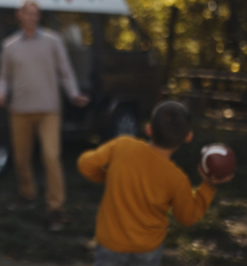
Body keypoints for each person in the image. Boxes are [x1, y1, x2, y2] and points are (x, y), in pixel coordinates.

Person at [77, 101, 233, 266]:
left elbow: (85, 164)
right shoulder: (177, 179)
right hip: (147, 250)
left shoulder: (123, 145)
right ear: (188, 137)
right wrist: (208, 186)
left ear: (149, 129)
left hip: (111, 245)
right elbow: (188, 217)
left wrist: (108, 177)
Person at [0, 0, 89, 231]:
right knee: (21, 158)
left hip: (49, 110)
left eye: (36, 14)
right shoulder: (10, 46)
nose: (32, 17)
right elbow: (4, 76)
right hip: (20, 110)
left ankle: (56, 208)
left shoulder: (53, 41)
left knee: (51, 156)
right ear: (19, 15)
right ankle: (27, 194)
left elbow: (66, 72)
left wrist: (74, 94)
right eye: (28, 13)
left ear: (39, 17)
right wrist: (1, 92)